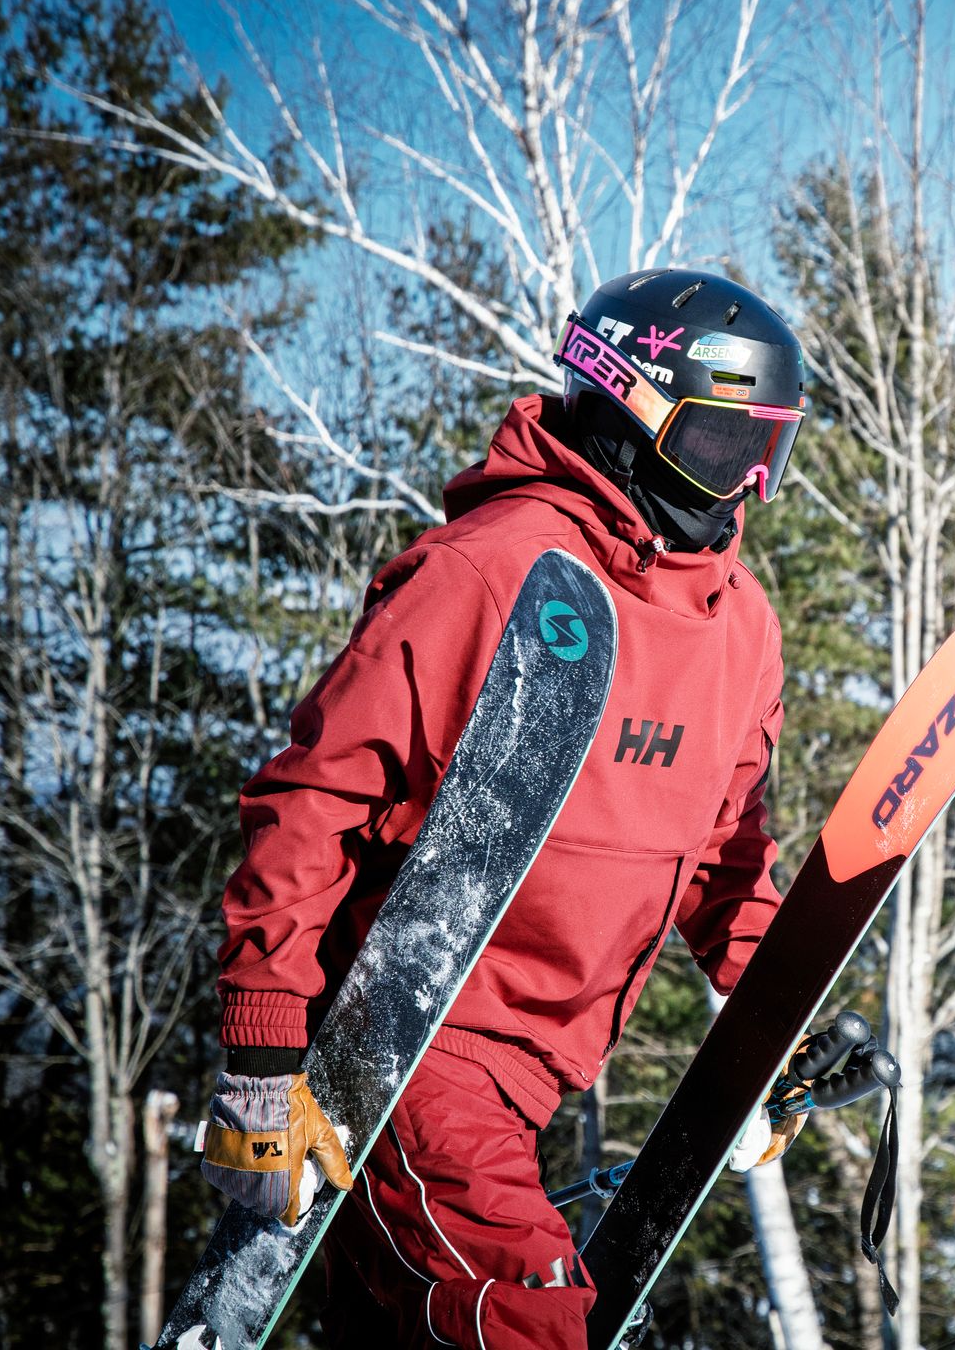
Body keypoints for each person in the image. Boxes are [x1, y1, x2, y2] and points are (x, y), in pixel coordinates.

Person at [198, 268, 809, 1347]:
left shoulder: (740, 625)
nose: (744, 490)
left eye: (768, 454)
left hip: (545, 1073)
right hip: (408, 1046)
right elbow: (312, 799)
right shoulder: (492, 570)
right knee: (529, 1318)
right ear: (628, 407)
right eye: (722, 448)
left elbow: (728, 851)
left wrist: (777, 1019)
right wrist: (261, 1047)